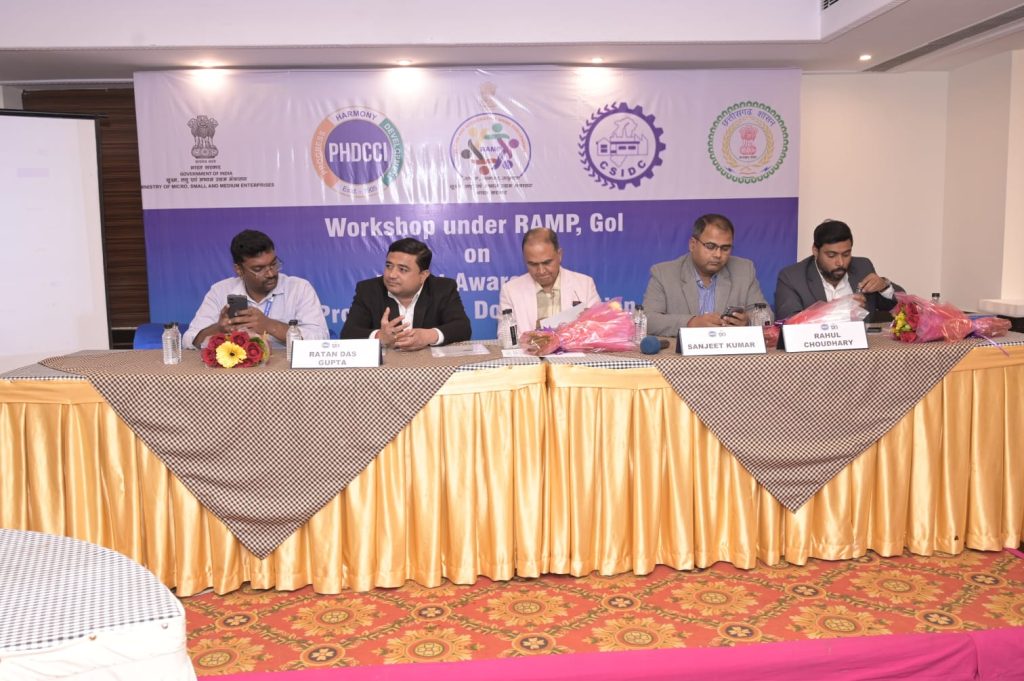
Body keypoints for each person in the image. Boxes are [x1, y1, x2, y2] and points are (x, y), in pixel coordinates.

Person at [183, 229, 329, 349]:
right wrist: (218, 329)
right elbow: (189, 340)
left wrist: (270, 326)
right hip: (236, 371)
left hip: (286, 371)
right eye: (259, 269)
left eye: (273, 264)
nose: (271, 274)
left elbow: (321, 339)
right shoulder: (220, 291)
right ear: (239, 270)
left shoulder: (299, 288)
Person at [643, 213, 767, 335]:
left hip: (728, 348)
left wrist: (748, 321)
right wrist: (691, 323)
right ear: (692, 244)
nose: (718, 255)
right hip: (684, 348)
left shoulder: (744, 270)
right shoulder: (664, 273)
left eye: (725, 248)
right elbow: (648, 320)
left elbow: (767, 315)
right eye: (710, 246)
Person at [340, 237, 471, 350]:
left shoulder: (442, 288)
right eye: (389, 266)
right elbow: (348, 333)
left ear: (423, 275)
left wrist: (428, 336)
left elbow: (462, 327)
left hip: (429, 367)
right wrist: (379, 337)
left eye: (402, 269)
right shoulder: (369, 290)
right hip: (386, 369)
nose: (392, 275)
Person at [774, 219, 902, 321]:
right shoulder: (792, 277)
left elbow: (901, 307)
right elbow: (790, 322)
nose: (840, 262)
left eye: (846, 254)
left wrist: (884, 286)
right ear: (815, 251)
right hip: (814, 346)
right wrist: (840, 309)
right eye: (831, 255)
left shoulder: (863, 267)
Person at [498, 228, 601, 331]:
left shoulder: (584, 285)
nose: (541, 271)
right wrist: (534, 336)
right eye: (533, 264)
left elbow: (599, 330)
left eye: (547, 263)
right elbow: (506, 336)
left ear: (559, 255)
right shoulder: (510, 291)